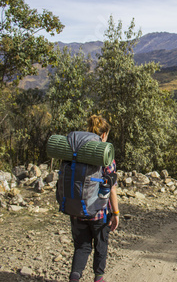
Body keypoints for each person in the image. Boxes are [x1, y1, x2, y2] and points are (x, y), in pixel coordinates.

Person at [69, 115, 120, 282]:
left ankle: (74, 278)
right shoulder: (105, 155)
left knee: (81, 247)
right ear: (104, 135)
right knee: (101, 246)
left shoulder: (75, 150)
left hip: (77, 208)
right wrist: (116, 212)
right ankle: (98, 278)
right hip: (99, 211)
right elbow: (111, 187)